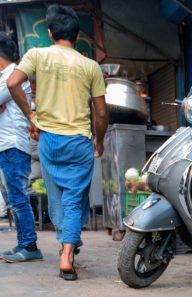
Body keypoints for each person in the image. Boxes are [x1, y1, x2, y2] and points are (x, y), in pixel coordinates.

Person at [8, 4, 107, 280]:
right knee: (76, 199)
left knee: (58, 199)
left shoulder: (37, 55)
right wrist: (99, 142)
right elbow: (100, 113)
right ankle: (67, 253)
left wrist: (30, 114)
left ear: (50, 33)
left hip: (49, 140)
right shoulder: (90, 67)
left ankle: (69, 242)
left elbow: (13, 83)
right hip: (79, 141)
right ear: (77, 35)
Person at [0, 32, 42, 263]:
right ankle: (22, 242)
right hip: (6, 144)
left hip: (14, 144)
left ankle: (30, 245)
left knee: (18, 197)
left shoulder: (13, 76)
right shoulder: (5, 76)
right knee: (12, 196)